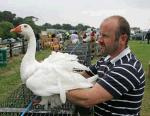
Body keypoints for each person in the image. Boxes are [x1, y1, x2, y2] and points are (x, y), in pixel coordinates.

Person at [66, 15, 145, 116]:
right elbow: (85, 73)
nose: (99, 40)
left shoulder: (127, 68)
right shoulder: (107, 59)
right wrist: (60, 71)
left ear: (123, 39)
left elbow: (87, 99)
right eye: (100, 35)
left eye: (105, 36)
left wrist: (53, 87)